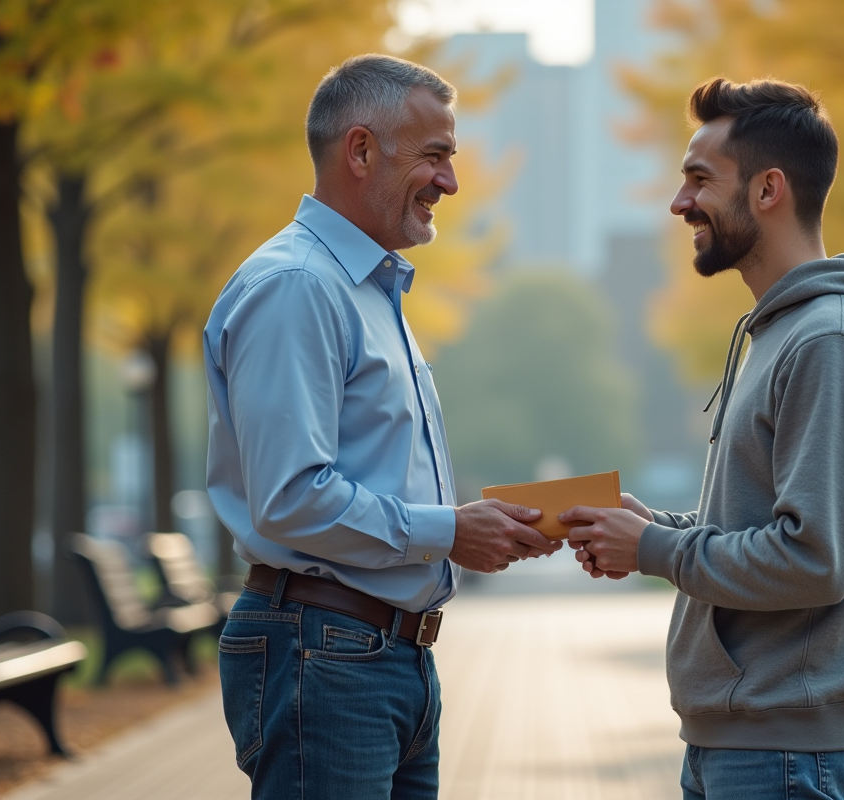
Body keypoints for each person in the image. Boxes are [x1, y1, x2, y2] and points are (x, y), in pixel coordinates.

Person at [562, 77, 844, 799]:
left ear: (768, 190)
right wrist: (656, 527)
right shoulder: (785, 333)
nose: (680, 204)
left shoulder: (831, 340)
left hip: (781, 754)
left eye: (699, 180)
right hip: (746, 744)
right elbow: (770, 525)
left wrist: (654, 551)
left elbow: (813, 558)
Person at [203, 54, 559, 800]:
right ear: (360, 151)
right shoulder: (299, 287)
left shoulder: (366, 290)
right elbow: (292, 498)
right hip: (325, 656)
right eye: (435, 156)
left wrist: (471, 530)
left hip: (378, 658)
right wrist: (448, 531)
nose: (451, 183)